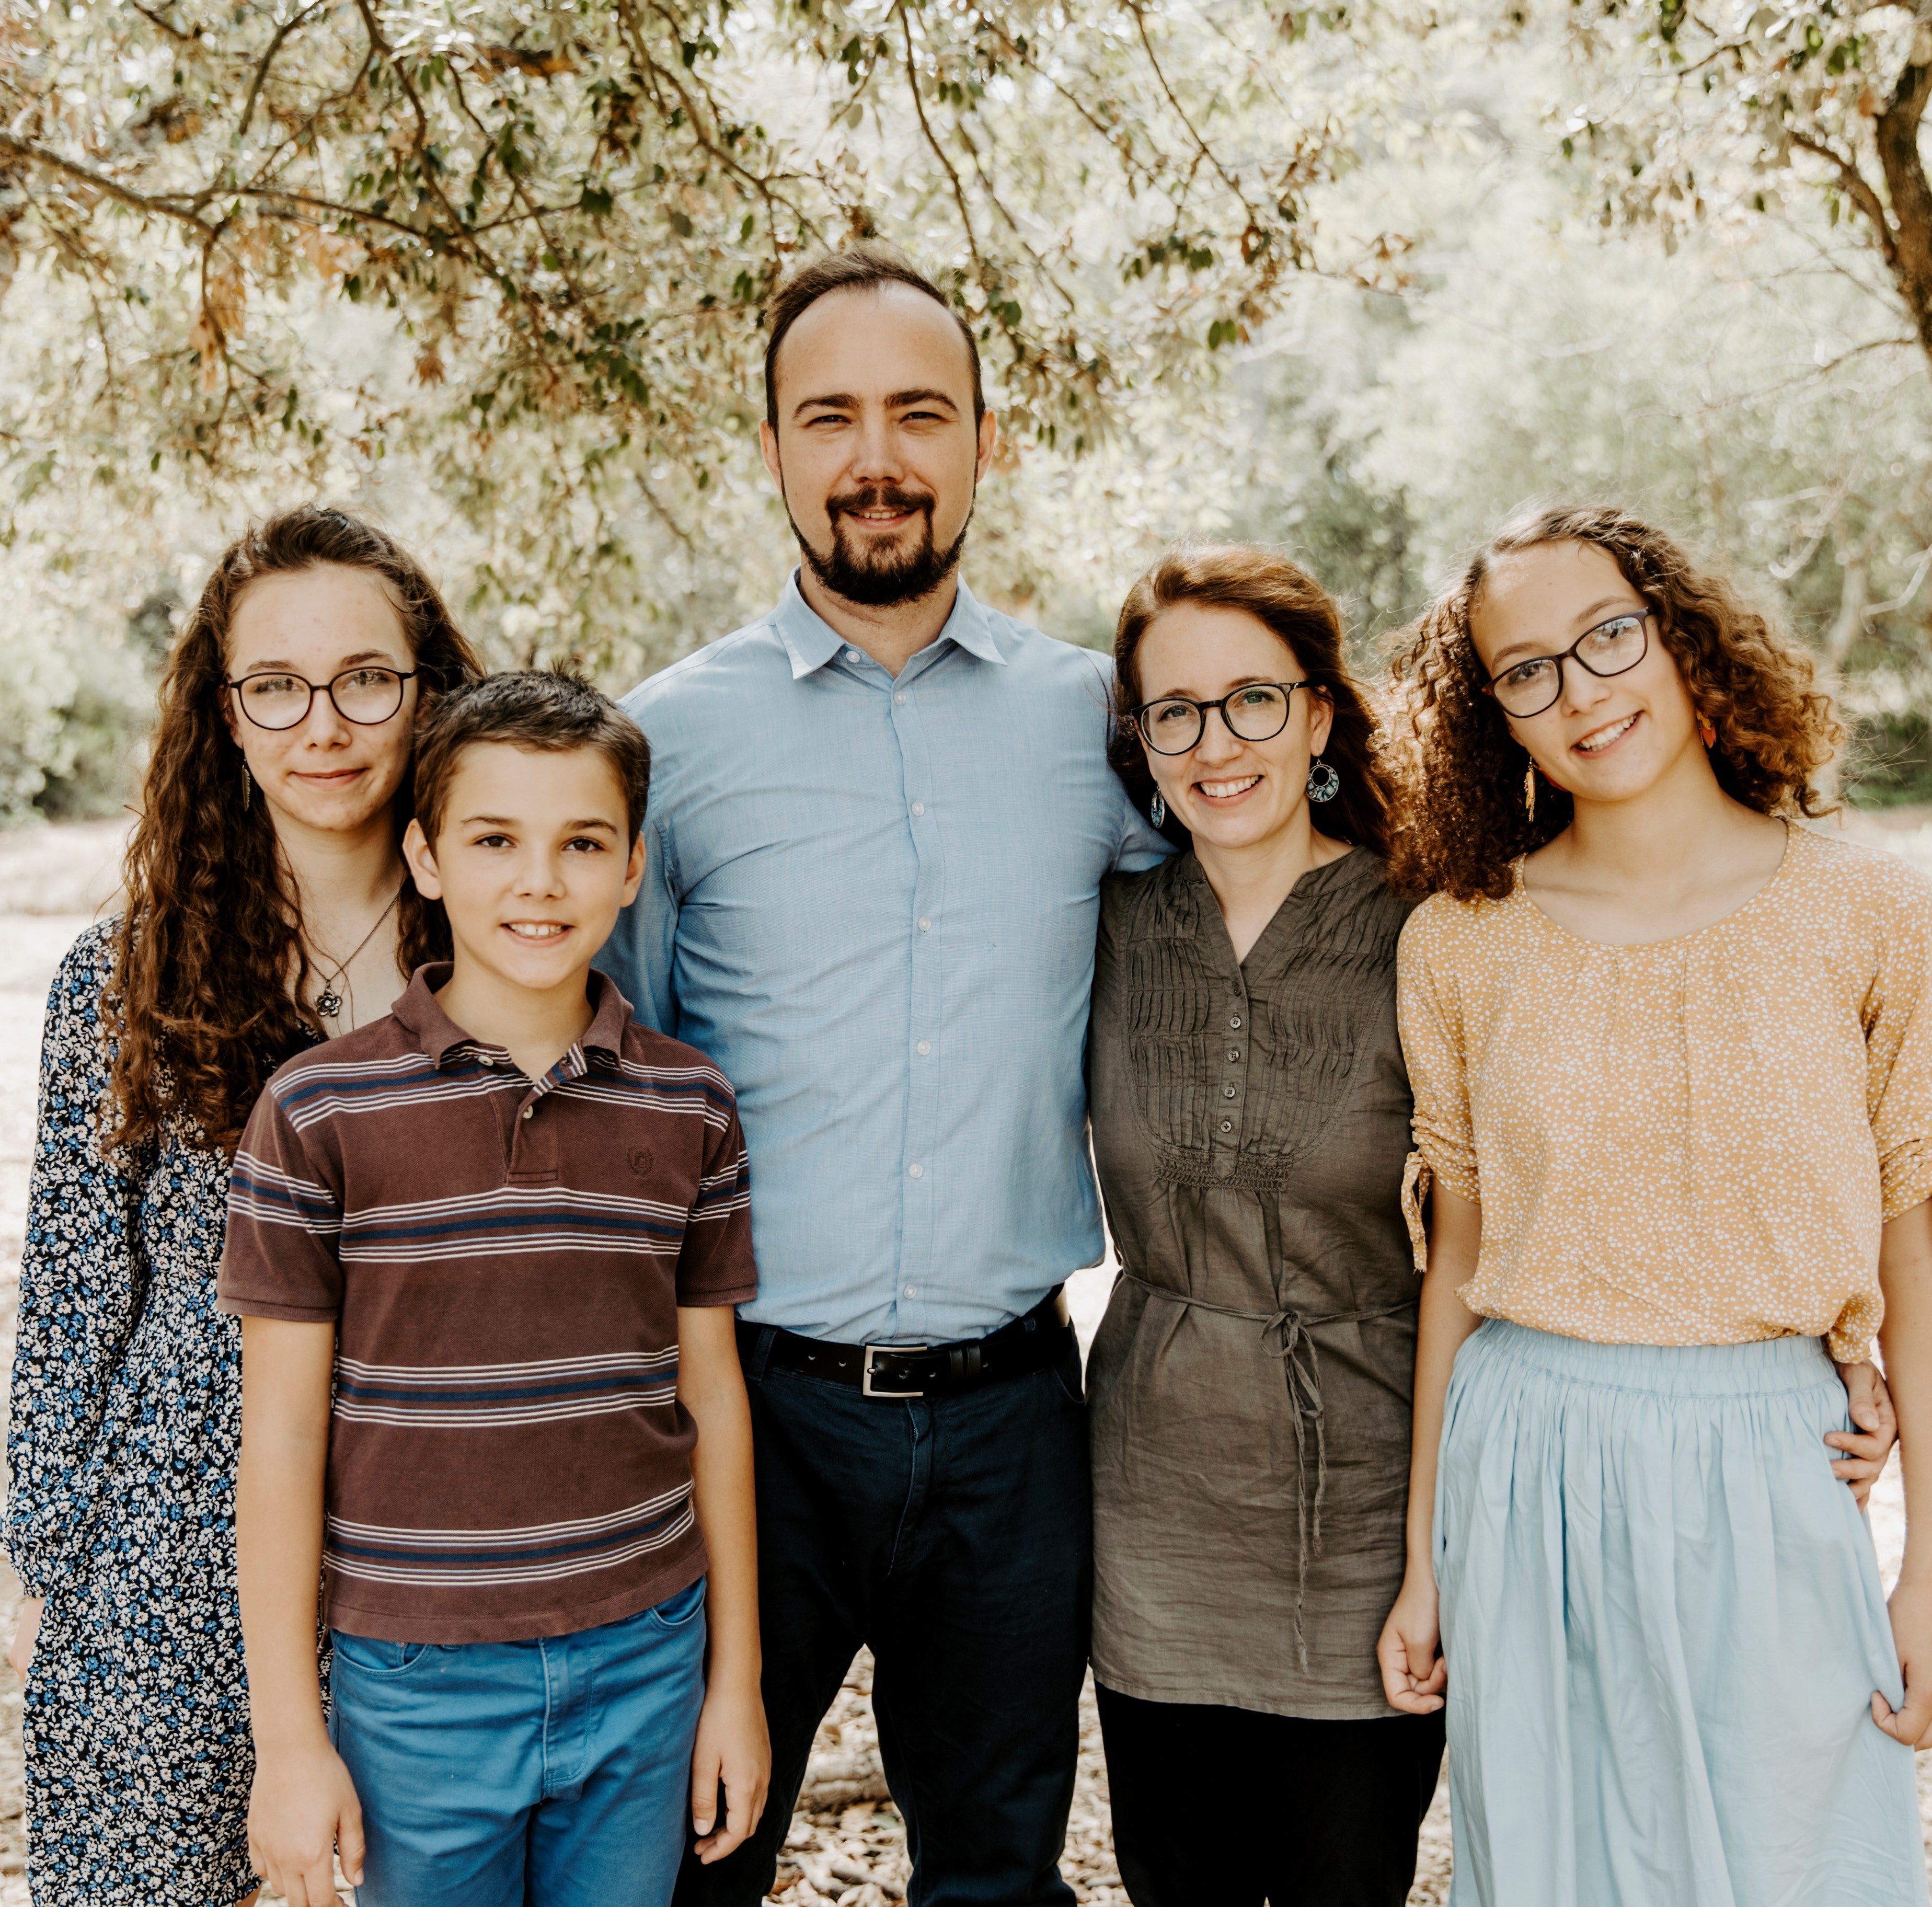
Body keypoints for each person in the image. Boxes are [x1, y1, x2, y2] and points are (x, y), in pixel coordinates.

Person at [600, 245, 1166, 1905]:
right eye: (829, 416)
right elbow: (612, 1063)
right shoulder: (667, 743)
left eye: (920, 413)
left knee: (996, 1874)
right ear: (770, 449)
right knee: (693, 1862)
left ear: (989, 440)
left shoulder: (1100, 727)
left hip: (1014, 1414)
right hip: (745, 1413)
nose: (876, 459)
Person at [1376, 504, 1932, 1905]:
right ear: (1494, 717)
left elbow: (1921, 1243)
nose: (1582, 692)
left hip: (1774, 1462)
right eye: (1526, 671)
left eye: (1607, 638)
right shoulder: (1459, 944)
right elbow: (1456, 1266)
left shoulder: (1875, 913)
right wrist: (1427, 1566)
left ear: (1679, 637)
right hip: (1525, 1468)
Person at [220, 672, 771, 1907]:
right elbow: (281, 1436)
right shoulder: (318, 1111)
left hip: (646, 1657)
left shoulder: (691, 1105)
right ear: (423, 857)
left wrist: (733, 1681)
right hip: (417, 1683)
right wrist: (290, 1744)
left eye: (582, 844)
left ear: (633, 865)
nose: (539, 882)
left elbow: (715, 1402)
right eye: (493, 841)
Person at [0, 506, 480, 1906]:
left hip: (432, 1554)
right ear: (224, 710)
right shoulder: (122, 977)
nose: (320, 725)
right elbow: (76, 1287)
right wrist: (51, 1563)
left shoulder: (508, 951)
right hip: (164, 1553)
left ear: (429, 690)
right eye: (274, 685)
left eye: (365, 679)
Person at [1082, 545, 1441, 1906]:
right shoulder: (1108, 928)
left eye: (1250, 701)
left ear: (1320, 716)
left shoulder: (1432, 930)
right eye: (1174, 712)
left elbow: (1515, 1230)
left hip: (1365, 1522)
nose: (1212, 744)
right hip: (1152, 1524)